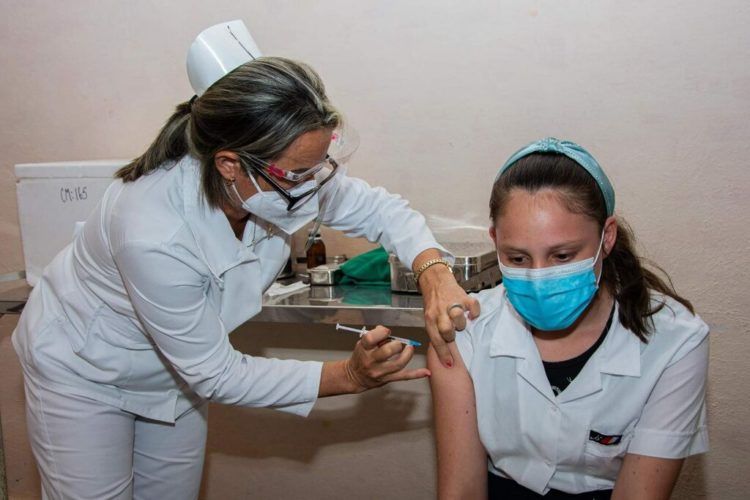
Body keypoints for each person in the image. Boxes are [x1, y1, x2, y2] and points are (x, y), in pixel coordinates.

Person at [12, 20, 479, 499]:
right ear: (229, 164)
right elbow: (217, 373)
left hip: (176, 371)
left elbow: (379, 209)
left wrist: (434, 272)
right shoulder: (151, 230)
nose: (314, 184)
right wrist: (348, 376)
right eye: (299, 173)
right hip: (85, 370)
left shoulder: (285, 178)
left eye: (320, 165)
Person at [429, 137, 709, 499]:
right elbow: (462, 491)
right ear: (495, 240)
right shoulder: (465, 330)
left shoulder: (675, 341)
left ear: (606, 238)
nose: (539, 277)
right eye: (517, 258)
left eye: (562, 256)